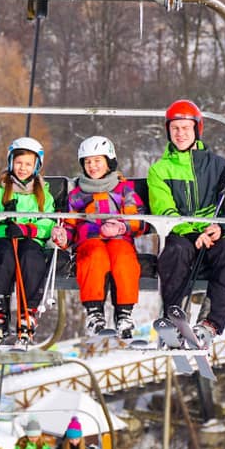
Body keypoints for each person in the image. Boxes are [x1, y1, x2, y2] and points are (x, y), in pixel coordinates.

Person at [147, 99, 225, 345]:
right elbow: (164, 210)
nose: (180, 134)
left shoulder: (219, 166)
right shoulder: (160, 170)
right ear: (168, 131)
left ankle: (211, 324)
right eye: (175, 129)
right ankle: (174, 316)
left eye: (185, 128)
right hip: (181, 234)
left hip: (213, 234)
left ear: (196, 129)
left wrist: (220, 228)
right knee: (177, 251)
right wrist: (192, 233)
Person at [51, 136, 145, 338]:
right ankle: (95, 312)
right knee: (94, 256)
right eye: (88, 162)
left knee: (123, 258)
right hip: (89, 240)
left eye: (97, 161)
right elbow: (70, 225)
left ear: (108, 162)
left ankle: (124, 313)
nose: (92, 166)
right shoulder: (77, 195)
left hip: (119, 239)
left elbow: (139, 220)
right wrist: (62, 236)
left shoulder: (123, 191)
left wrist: (121, 227)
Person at [0, 137, 55, 344]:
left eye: (28, 164)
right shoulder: (0, 188)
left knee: (30, 258)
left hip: (30, 238)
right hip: (4, 236)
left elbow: (47, 224)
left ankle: (27, 313)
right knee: (2, 257)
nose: (22, 168)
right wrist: (1, 219)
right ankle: (0, 312)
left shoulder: (43, 194)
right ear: (10, 162)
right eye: (18, 163)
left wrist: (27, 228)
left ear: (36, 166)